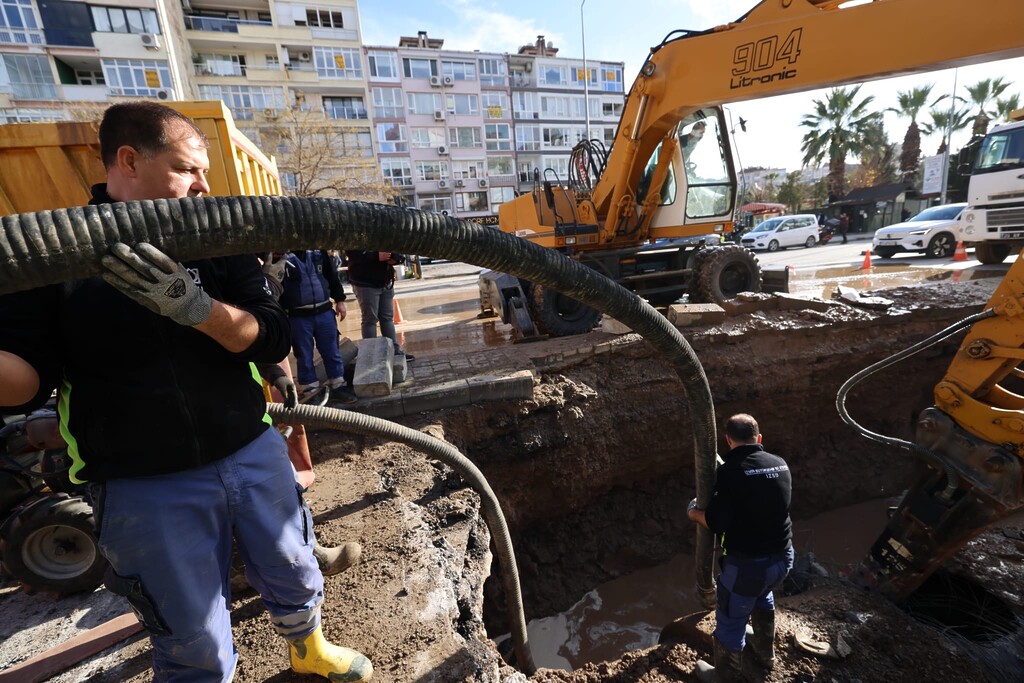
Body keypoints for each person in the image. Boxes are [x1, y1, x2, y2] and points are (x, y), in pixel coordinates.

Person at [0, 102, 372, 682]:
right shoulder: (58, 255)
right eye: (188, 169)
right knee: (192, 636)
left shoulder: (213, 240)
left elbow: (269, 332)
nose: (204, 185)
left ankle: (308, 648)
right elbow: (26, 383)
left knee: (293, 565)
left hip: (249, 447)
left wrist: (199, 311)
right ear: (129, 160)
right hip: (143, 482)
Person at [687, 413, 793, 682]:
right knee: (762, 595)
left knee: (731, 619)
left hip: (748, 568)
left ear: (727, 440)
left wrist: (694, 514)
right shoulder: (780, 464)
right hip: (783, 559)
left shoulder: (730, 472)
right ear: (759, 438)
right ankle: (764, 652)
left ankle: (725, 676)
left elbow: (716, 522)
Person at [277, 249, 357, 404]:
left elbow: (331, 276)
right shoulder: (280, 257)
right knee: (304, 355)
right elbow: (275, 286)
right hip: (297, 317)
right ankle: (310, 391)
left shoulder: (318, 252)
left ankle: (338, 386)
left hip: (324, 312)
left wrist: (340, 300)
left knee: (332, 351)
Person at [345, 250, 414, 362]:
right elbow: (352, 253)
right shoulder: (357, 234)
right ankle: (371, 355)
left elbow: (396, 247)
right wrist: (375, 256)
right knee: (370, 319)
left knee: (387, 319)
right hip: (365, 282)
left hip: (384, 281)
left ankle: (395, 352)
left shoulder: (385, 234)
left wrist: (396, 258)